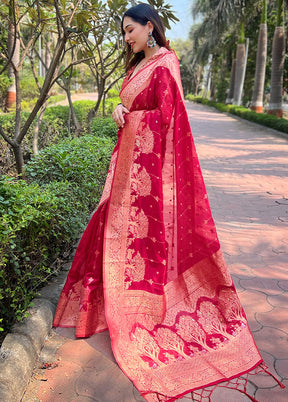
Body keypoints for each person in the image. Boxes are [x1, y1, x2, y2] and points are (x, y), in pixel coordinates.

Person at [53, 3, 284, 401]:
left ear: (149, 26)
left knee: (141, 243)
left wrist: (135, 118)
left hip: (147, 172)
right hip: (128, 169)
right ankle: (112, 304)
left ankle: (143, 309)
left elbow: (169, 117)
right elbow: (132, 106)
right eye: (123, 32)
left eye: (130, 30)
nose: (126, 38)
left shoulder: (165, 63)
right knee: (110, 232)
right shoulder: (140, 64)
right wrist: (119, 109)